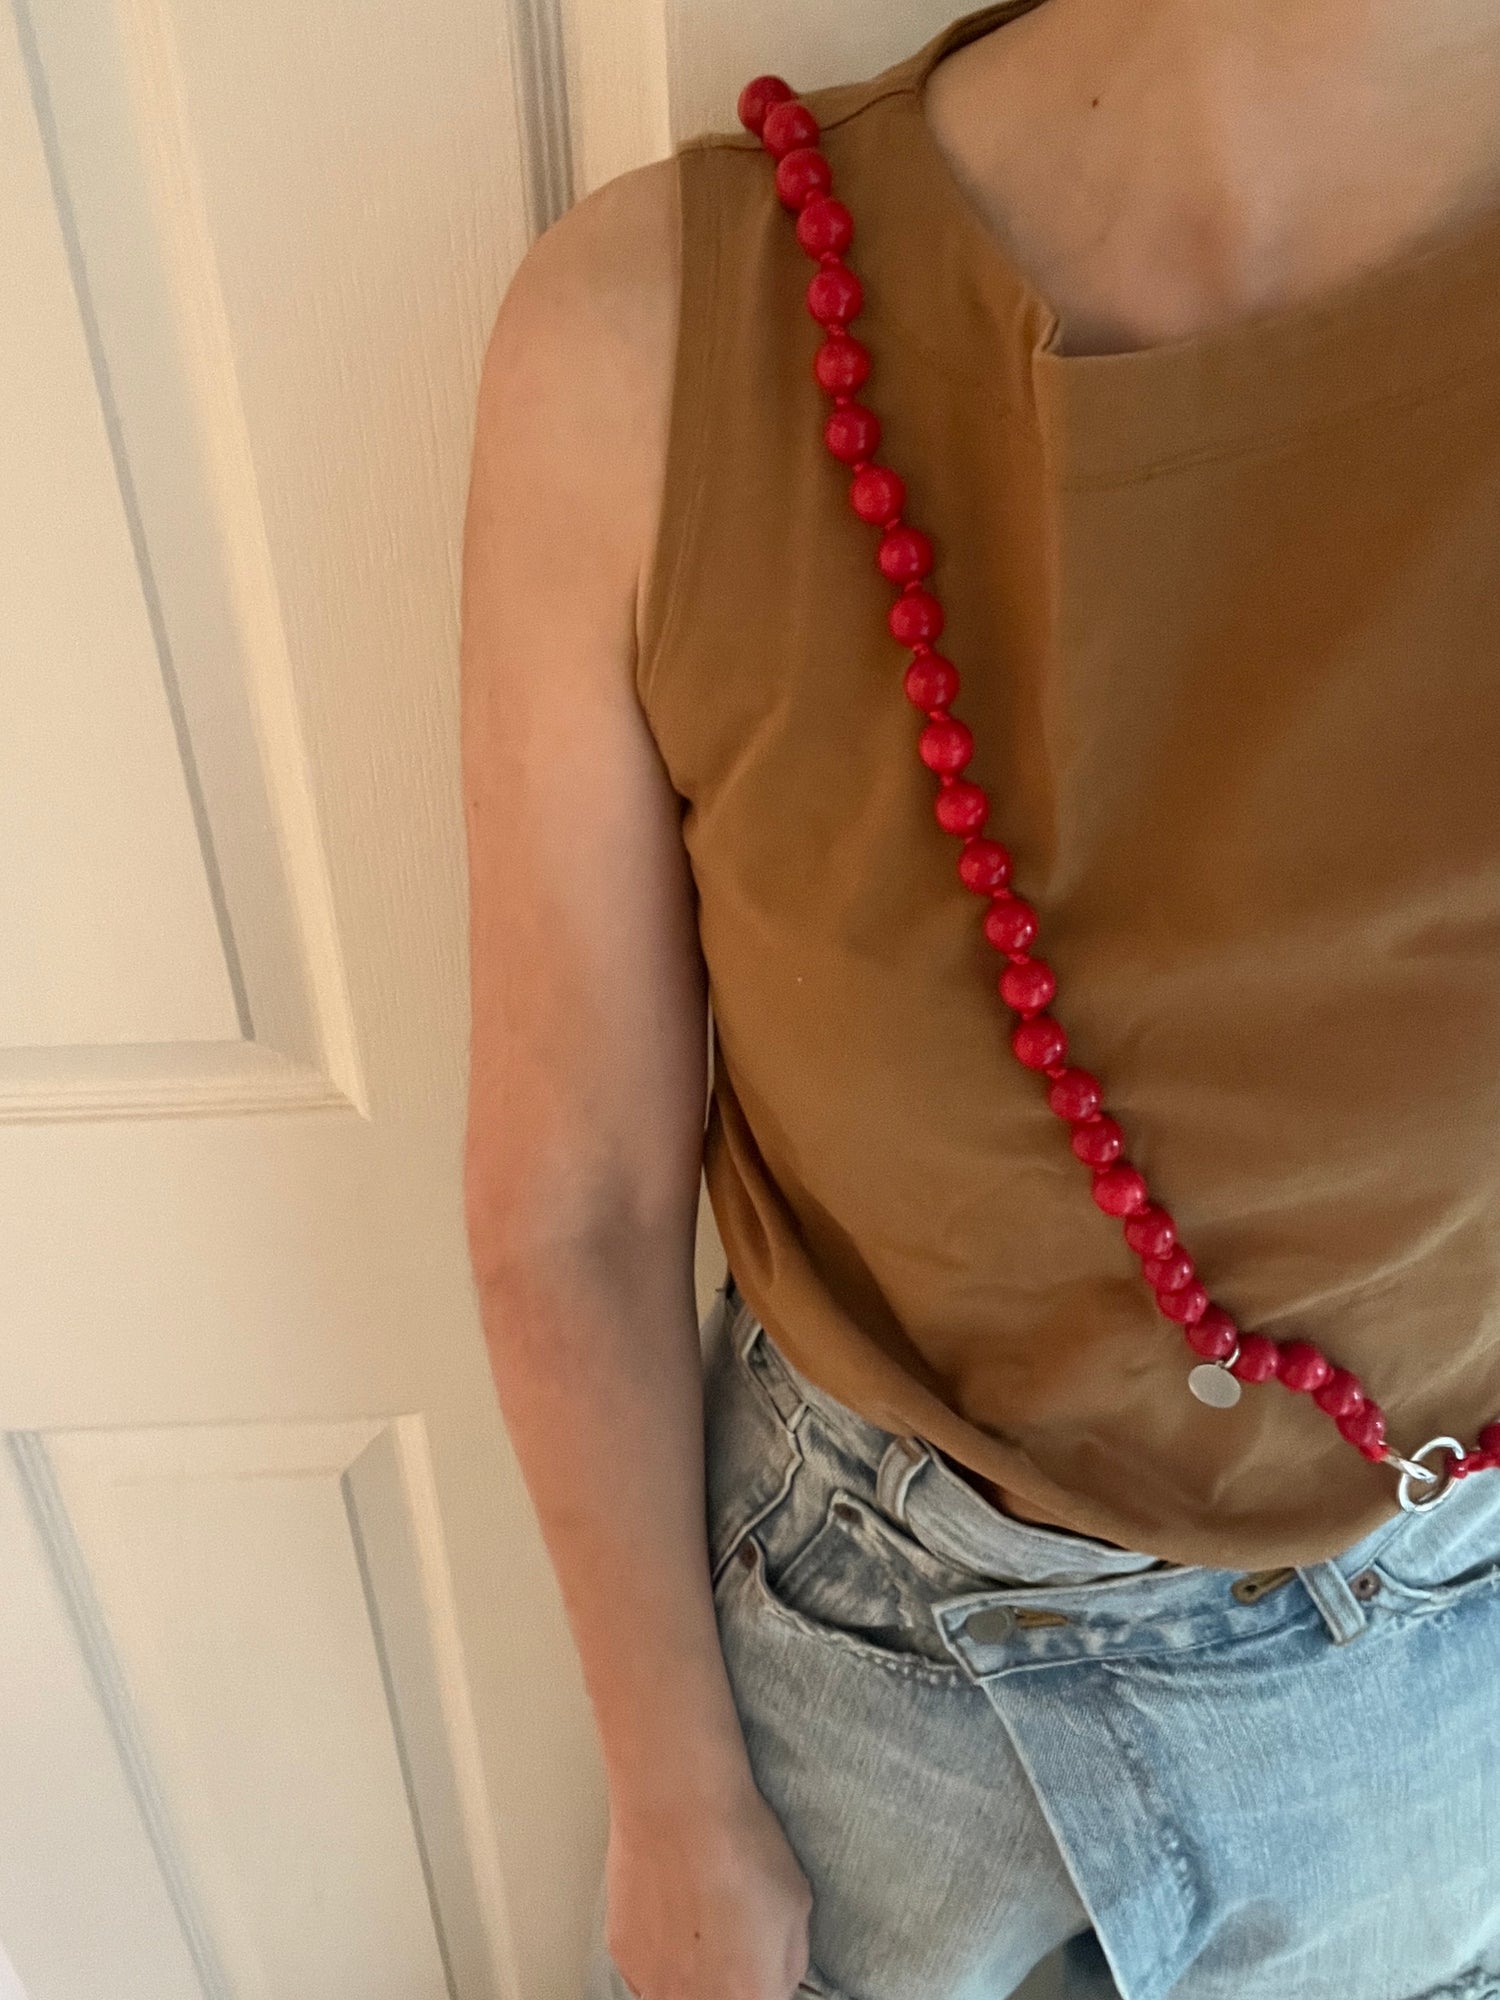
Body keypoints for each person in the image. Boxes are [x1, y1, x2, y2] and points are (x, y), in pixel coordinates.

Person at [459, 3, 1500, 1995]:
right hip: (858, 1684)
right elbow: (570, 1199)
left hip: (1436, 1701)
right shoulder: (652, 345)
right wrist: (673, 1802)